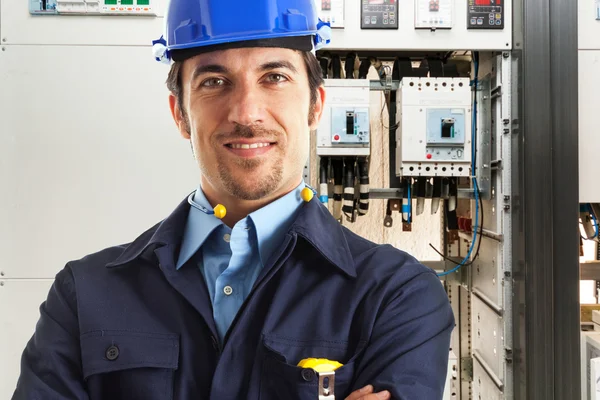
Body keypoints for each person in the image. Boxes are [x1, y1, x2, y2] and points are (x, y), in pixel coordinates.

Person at [12, 1, 454, 399]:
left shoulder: (396, 299)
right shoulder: (83, 296)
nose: (246, 112)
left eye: (275, 77)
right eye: (215, 81)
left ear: (316, 106)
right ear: (180, 114)